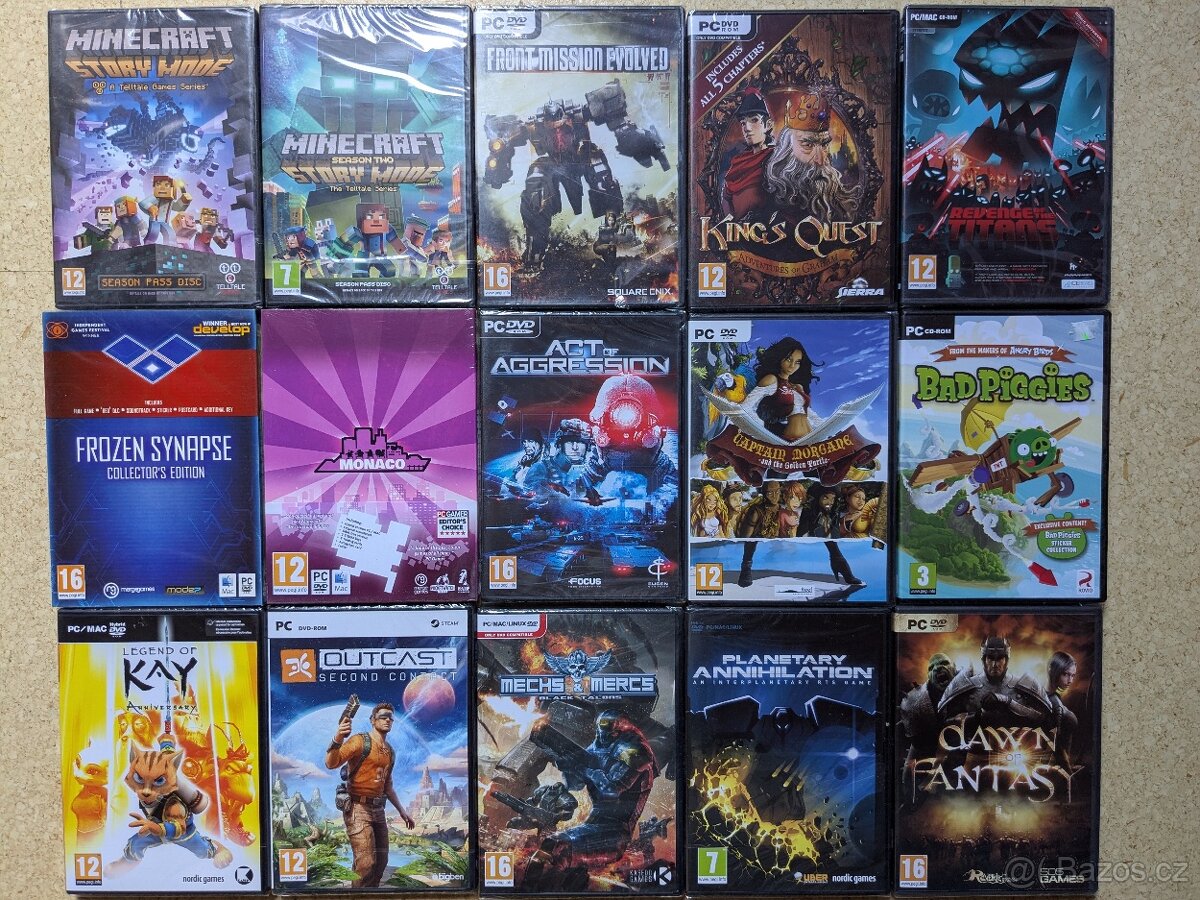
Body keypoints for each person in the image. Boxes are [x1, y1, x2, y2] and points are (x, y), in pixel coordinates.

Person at [325, 703, 415, 888]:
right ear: (373, 720)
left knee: (381, 861)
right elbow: (331, 763)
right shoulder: (360, 741)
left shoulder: (390, 752)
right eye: (383, 716)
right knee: (366, 863)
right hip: (357, 808)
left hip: (378, 809)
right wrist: (339, 736)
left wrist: (402, 811)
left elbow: (387, 786)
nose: (388, 720)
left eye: (390, 717)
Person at [763, 93, 862, 222]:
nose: (820, 160)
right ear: (786, 150)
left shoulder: (843, 206)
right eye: (808, 145)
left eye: (824, 145)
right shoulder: (766, 205)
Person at [740, 337, 821, 442]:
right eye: (789, 359)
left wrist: (825, 428)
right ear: (780, 357)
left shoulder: (796, 386)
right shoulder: (771, 379)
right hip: (787, 441)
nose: (792, 366)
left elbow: (808, 413)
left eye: (797, 362)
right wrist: (760, 429)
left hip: (809, 439)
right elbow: (746, 407)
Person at [721, 88, 775, 218]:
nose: (747, 128)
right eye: (743, 123)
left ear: (768, 125)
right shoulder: (738, 162)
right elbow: (726, 199)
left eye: (754, 120)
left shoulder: (776, 159)